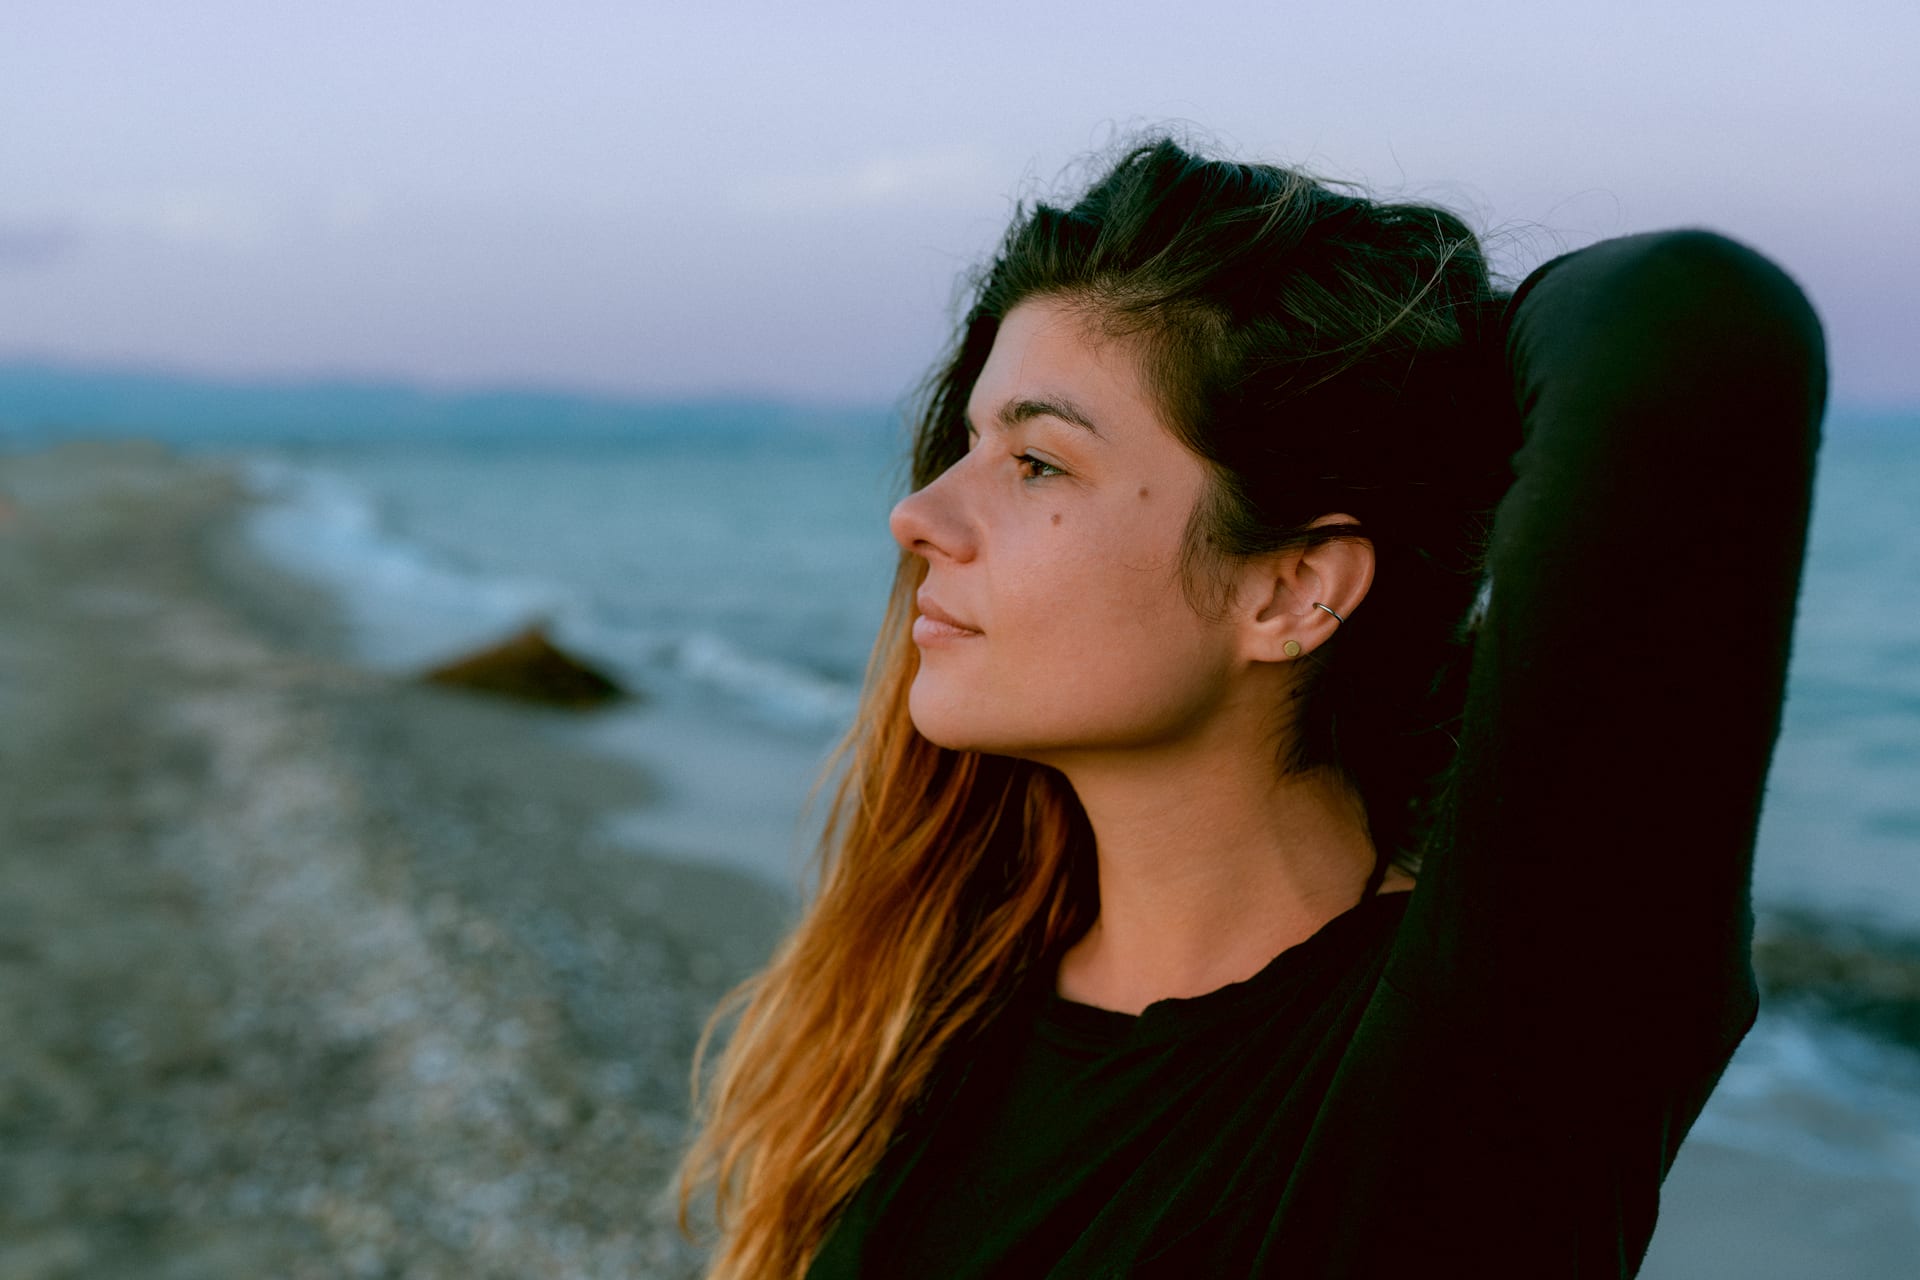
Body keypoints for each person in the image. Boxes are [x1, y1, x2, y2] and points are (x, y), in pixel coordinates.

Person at [677, 137, 1826, 1277]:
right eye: (972, 442)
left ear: (1291, 588)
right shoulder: (947, 992)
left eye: (1038, 462)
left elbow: (1690, 323)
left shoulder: (1480, 1071)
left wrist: (1411, 347)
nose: (919, 514)